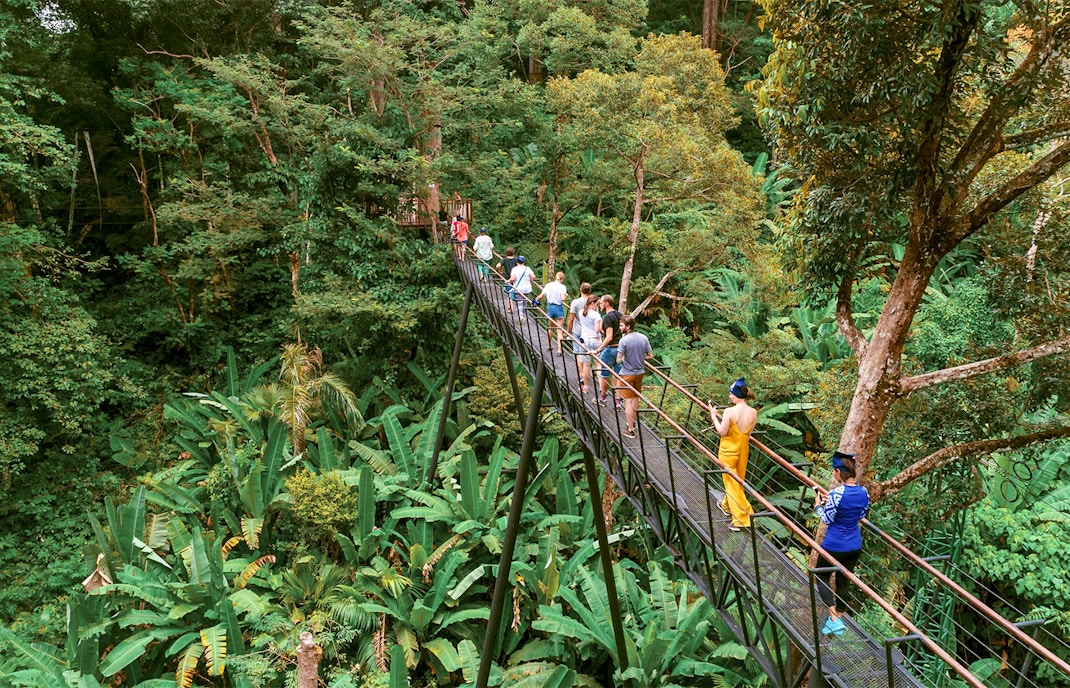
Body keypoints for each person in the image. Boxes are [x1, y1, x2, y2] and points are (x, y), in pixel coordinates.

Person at [814, 452, 870, 637]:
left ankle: (833, 620)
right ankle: (837, 621)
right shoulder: (863, 492)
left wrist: (818, 506)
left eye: (834, 472)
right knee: (843, 582)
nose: (834, 475)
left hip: (834, 545)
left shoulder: (837, 494)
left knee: (820, 576)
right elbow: (861, 515)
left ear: (839, 471)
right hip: (854, 546)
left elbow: (827, 519)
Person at [711, 377, 757, 532]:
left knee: (731, 484)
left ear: (737, 395)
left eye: (731, 394)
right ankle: (726, 505)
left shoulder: (729, 411)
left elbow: (722, 431)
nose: (729, 397)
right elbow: (748, 433)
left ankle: (742, 519)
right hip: (743, 450)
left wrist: (713, 417)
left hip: (728, 452)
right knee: (737, 482)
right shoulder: (753, 412)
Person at [616, 315, 653, 439]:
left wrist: (625, 359)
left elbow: (618, 360)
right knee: (635, 397)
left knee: (628, 401)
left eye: (621, 326)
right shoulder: (643, 337)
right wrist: (640, 358)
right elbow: (650, 355)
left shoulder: (624, 341)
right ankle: (633, 422)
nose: (620, 327)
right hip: (639, 373)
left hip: (627, 374)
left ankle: (630, 429)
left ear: (628, 327)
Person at [594, 295, 622, 409]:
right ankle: (618, 402)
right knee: (618, 376)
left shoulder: (607, 317)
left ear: (606, 304)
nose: (600, 305)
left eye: (601, 303)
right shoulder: (619, 315)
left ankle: (603, 398)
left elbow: (609, 336)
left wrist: (599, 349)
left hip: (611, 349)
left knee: (604, 374)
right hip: (620, 349)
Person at [566, 283, 594, 392]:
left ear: (580, 290)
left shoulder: (576, 302)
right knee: (587, 353)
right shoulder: (592, 303)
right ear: (590, 291)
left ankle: (582, 374)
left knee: (578, 353)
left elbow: (571, 318)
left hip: (577, 331)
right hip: (589, 332)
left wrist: (568, 331)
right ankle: (586, 375)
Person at [535, 272, 568, 352]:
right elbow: (563, 299)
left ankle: (548, 345)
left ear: (556, 277)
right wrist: (566, 295)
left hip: (550, 307)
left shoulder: (548, 285)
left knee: (551, 328)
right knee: (559, 330)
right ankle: (559, 349)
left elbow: (541, 296)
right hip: (558, 308)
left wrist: (535, 301)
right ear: (562, 279)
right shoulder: (562, 287)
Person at [575, 293, 601, 394]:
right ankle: (601, 387)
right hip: (595, 340)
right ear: (593, 303)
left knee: (586, 365)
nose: (597, 306)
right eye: (597, 304)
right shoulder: (596, 315)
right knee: (598, 364)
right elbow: (597, 329)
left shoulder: (581, 312)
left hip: (584, 340)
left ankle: (585, 387)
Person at [507, 255, 536, 321]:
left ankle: (521, 316)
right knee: (525, 302)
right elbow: (533, 277)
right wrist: (530, 280)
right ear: (524, 262)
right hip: (527, 288)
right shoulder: (527, 268)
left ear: (517, 261)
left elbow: (513, 278)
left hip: (519, 288)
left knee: (520, 302)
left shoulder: (515, 269)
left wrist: (509, 280)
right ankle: (524, 316)